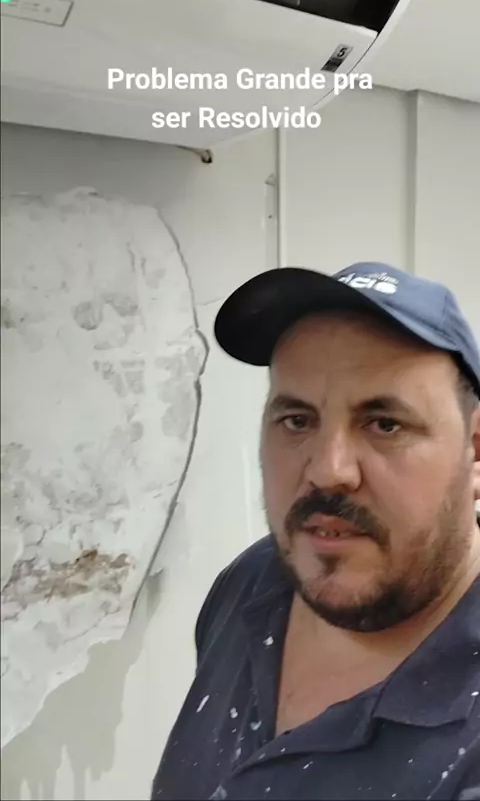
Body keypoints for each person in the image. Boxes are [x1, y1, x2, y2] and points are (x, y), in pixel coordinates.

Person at [151, 262, 480, 801]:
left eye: (385, 424)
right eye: (297, 420)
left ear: (475, 452)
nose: (328, 471)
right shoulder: (253, 584)